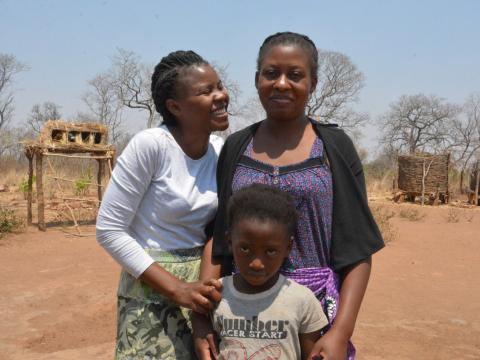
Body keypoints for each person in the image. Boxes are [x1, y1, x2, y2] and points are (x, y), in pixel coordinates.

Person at [196, 32, 385, 360]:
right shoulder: (237, 146)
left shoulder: (334, 148)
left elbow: (357, 248)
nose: (282, 83)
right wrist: (201, 320)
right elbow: (220, 238)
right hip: (242, 313)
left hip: (315, 319)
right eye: (271, 73)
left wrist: (341, 331)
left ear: (313, 83)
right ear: (257, 80)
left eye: (295, 75)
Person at [96, 50, 228, 359]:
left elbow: (218, 231)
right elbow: (109, 230)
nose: (221, 95)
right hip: (150, 290)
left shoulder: (221, 152)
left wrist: (199, 297)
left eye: (219, 85)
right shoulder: (152, 146)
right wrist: (176, 289)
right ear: (175, 107)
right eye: (206, 91)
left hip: (203, 288)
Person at [212, 184, 329, 360]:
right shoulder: (217, 294)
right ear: (229, 241)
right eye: (245, 248)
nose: (257, 263)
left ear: (288, 247)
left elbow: (310, 354)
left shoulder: (302, 300)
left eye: (270, 251)